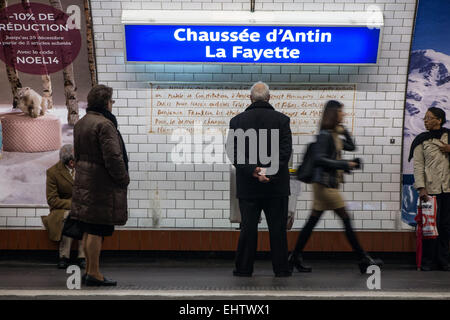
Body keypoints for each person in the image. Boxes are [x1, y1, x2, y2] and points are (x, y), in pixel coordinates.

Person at [289, 100, 382, 274]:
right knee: (346, 218)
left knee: (312, 221)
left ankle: (294, 257)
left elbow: (352, 146)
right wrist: (344, 164)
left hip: (324, 184)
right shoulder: (325, 135)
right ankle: (363, 259)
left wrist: (344, 130)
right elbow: (319, 159)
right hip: (325, 186)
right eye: (340, 112)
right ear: (333, 113)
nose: (343, 114)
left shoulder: (333, 135)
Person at [227, 81, 292, 277]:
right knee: (278, 230)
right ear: (269, 98)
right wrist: (268, 171)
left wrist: (253, 170)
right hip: (276, 186)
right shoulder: (282, 120)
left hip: (248, 186)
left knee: (248, 229)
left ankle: (244, 268)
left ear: (250, 98)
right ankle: (281, 269)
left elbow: (233, 151)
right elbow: (285, 152)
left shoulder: (237, 121)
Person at [70, 84, 130, 286]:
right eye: (111, 101)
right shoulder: (104, 125)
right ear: (106, 103)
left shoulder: (82, 123)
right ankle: (94, 273)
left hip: (85, 182)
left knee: (88, 229)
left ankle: (89, 270)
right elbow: (113, 157)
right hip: (100, 185)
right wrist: (123, 178)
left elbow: (77, 155)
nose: (112, 105)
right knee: (97, 230)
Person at [409, 107, 450, 271]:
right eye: (424, 118)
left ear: (439, 120)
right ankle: (428, 261)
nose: (425, 121)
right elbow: (418, 166)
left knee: (446, 226)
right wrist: (421, 188)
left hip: (447, 189)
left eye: (429, 118)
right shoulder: (421, 140)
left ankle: (444, 261)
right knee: (429, 227)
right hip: (430, 191)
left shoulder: (449, 136)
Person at [42, 144, 85, 269]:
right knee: (69, 217)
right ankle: (64, 256)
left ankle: (83, 256)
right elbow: (52, 200)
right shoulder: (53, 172)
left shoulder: (84, 169)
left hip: (82, 207)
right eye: (75, 161)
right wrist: (73, 205)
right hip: (61, 210)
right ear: (70, 162)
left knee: (84, 217)